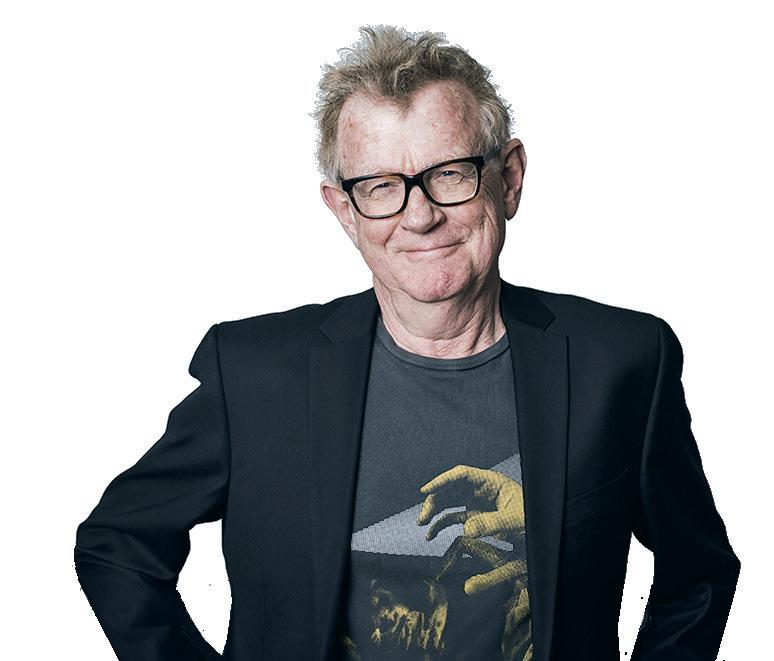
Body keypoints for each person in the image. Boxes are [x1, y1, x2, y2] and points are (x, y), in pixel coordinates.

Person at [74, 25, 740, 661]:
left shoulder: (623, 362)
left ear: (509, 178)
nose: (419, 216)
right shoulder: (252, 374)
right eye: (381, 187)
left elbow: (698, 572)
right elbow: (117, 545)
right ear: (345, 211)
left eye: (449, 173)